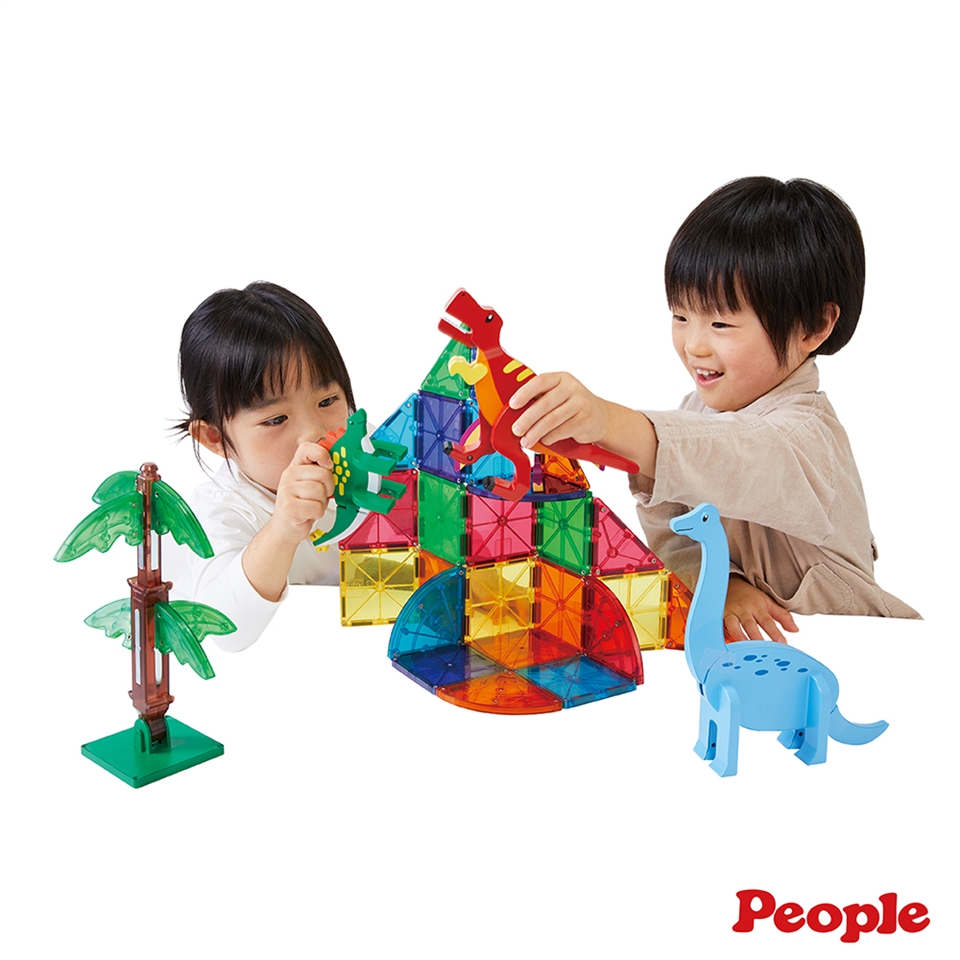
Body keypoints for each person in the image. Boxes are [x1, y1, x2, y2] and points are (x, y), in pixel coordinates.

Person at [509, 177, 919, 642]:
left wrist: (607, 421)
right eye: (681, 316)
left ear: (813, 327)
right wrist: (723, 582)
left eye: (721, 323)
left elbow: (734, 457)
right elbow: (671, 524)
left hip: (863, 644)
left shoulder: (806, 435)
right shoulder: (697, 411)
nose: (694, 345)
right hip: (762, 650)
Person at [171, 281, 355, 651]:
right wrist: (282, 530)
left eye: (327, 401)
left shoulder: (364, 457)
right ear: (214, 438)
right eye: (275, 420)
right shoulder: (221, 512)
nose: (313, 433)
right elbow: (223, 630)